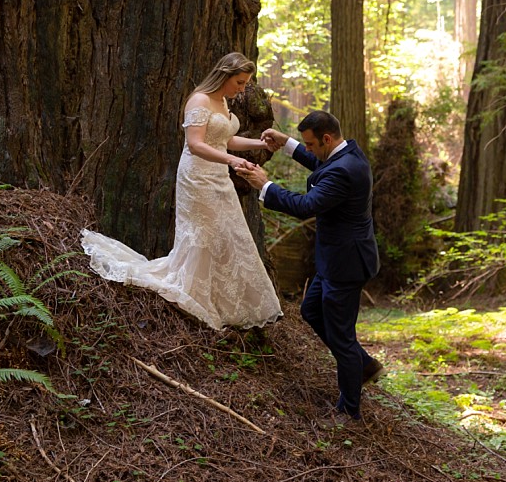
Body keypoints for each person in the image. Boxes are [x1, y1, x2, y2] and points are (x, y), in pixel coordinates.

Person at [81, 52, 283, 331]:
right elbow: (196, 143)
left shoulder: (224, 101)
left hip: (218, 177)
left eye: (245, 83)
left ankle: (224, 301)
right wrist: (232, 160)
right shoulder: (199, 100)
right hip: (197, 176)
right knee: (202, 234)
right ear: (224, 76)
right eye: (239, 82)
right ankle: (194, 294)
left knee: (227, 233)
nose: (243, 89)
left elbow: (225, 139)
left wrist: (259, 146)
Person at [236, 110, 385, 422]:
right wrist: (288, 144)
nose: (308, 149)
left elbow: (305, 206)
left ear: (326, 139)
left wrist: (266, 185)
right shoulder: (344, 155)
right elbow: (320, 164)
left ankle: (349, 411)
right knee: (311, 311)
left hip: (346, 265)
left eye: (310, 144)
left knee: (341, 337)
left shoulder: (344, 171)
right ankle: (363, 364)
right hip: (334, 260)